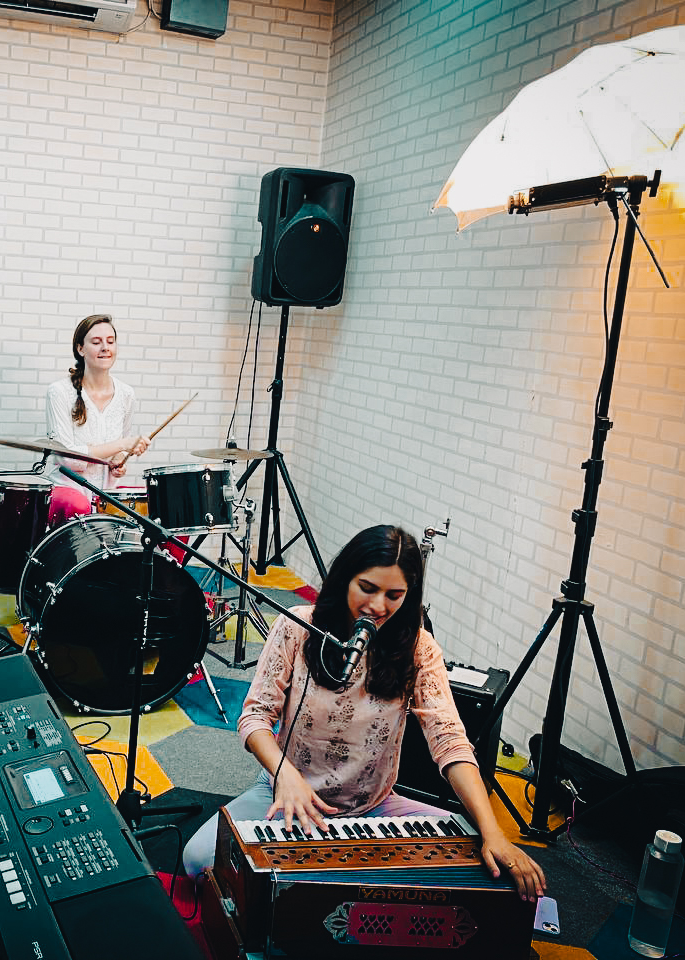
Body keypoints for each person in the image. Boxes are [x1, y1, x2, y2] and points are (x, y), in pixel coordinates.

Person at [182, 524, 546, 902]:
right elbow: (255, 718)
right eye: (367, 588)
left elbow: (451, 743)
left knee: (477, 865)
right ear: (344, 581)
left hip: (374, 809)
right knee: (197, 859)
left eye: (395, 595)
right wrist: (284, 776)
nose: (378, 606)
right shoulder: (297, 627)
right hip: (284, 794)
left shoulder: (419, 650)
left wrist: (494, 832)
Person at [44, 314, 151, 525]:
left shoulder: (126, 394)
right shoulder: (59, 392)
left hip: (107, 493)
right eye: (96, 342)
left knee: (159, 504)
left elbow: (119, 451)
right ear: (80, 349)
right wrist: (121, 445)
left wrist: (119, 461)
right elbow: (68, 458)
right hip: (69, 491)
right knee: (79, 504)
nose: (105, 347)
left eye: (110, 342)